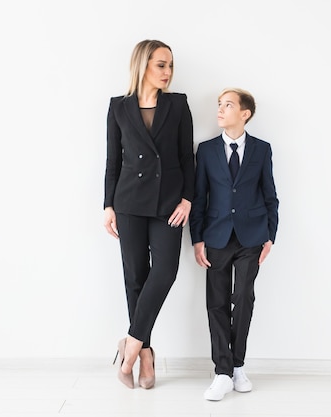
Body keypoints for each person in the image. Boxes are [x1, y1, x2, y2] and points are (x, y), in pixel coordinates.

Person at [104, 39, 194, 389]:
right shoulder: (118, 107)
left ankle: (130, 345)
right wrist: (108, 205)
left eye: (170, 65)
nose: (168, 72)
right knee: (136, 278)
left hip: (169, 203)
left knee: (165, 272)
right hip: (129, 204)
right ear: (142, 64)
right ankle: (145, 354)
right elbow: (113, 160)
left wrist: (187, 199)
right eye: (161, 64)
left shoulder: (178, 104)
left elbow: (187, 157)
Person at [190, 88, 279, 401]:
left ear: (245, 113)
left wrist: (271, 235)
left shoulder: (261, 150)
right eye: (218, 104)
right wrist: (197, 239)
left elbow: (270, 195)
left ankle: (237, 364)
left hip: (251, 236)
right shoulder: (206, 150)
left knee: (243, 297)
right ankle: (223, 371)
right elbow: (199, 197)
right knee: (215, 302)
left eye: (228, 105)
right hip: (215, 236)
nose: (220, 109)